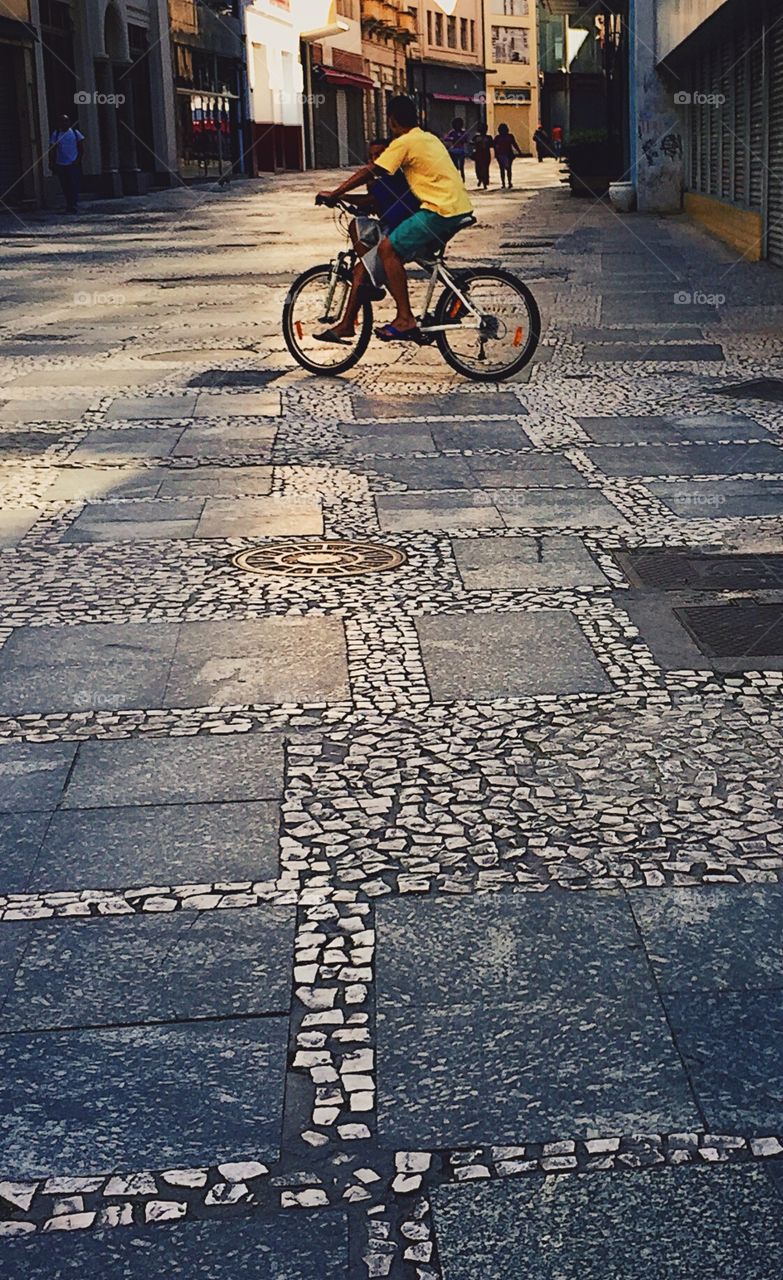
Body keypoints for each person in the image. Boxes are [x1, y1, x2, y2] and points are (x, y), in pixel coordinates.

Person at [316, 95, 473, 342]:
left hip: (439, 210)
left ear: (391, 120)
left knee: (387, 249)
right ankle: (446, 300)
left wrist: (336, 193)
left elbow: (372, 170)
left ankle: (404, 319)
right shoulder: (427, 137)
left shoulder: (404, 142)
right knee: (404, 253)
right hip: (457, 207)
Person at [314, 140, 420, 344]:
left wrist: (338, 196)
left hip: (401, 229)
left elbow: (370, 202)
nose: (375, 160)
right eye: (371, 156)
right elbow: (375, 205)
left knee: (360, 271)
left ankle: (348, 324)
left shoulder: (392, 175)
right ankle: (373, 282)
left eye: (380, 154)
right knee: (358, 228)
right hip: (392, 225)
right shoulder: (379, 179)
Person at [48, 114, 84, 213]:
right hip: (61, 163)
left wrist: (78, 159)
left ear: (69, 122)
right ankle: (69, 203)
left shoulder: (75, 133)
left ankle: (73, 204)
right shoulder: (56, 134)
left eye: (66, 121)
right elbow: (52, 149)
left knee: (73, 184)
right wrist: (51, 161)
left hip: (72, 163)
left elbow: (81, 148)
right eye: (62, 121)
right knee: (65, 185)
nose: (64, 123)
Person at [493, 122, 522, 189]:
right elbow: (514, 144)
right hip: (505, 154)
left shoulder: (498, 137)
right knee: (507, 169)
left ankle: (505, 183)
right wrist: (519, 151)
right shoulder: (508, 136)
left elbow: (494, 146)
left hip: (506, 155)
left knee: (504, 169)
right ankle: (507, 182)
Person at [472, 124, 493, 190]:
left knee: (479, 168)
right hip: (485, 154)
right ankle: (484, 180)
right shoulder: (488, 137)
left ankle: (482, 180)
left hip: (479, 154)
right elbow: (492, 145)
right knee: (484, 168)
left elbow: (472, 143)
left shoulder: (476, 138)